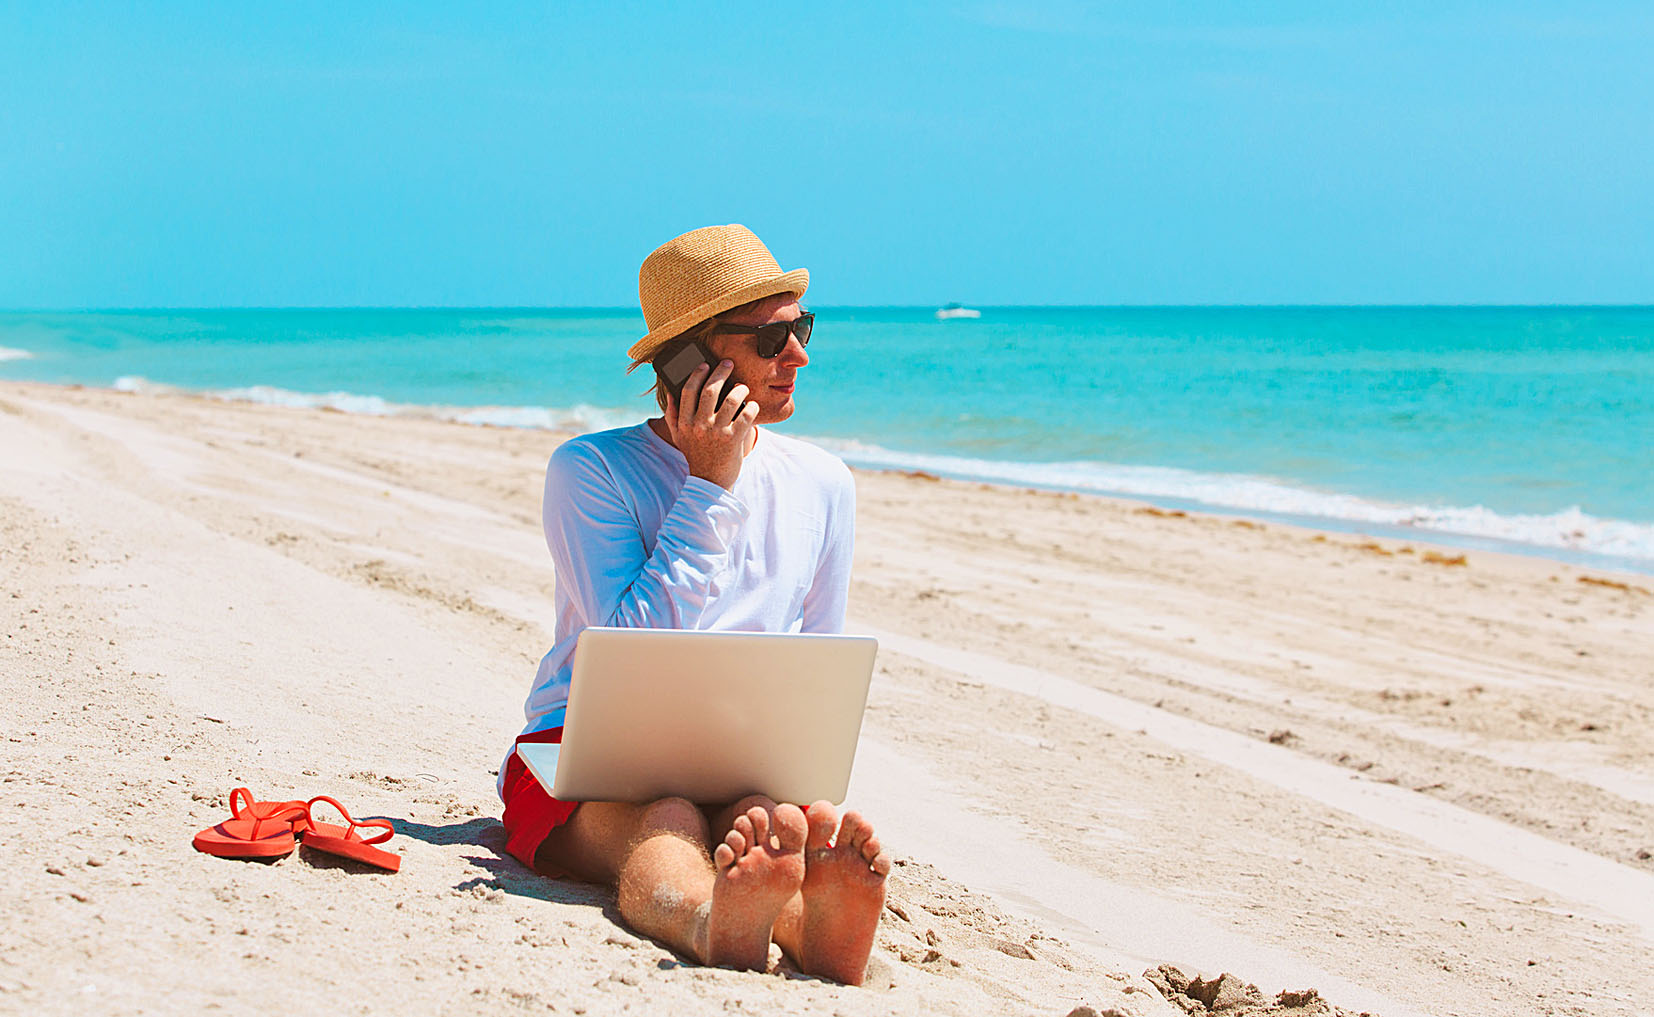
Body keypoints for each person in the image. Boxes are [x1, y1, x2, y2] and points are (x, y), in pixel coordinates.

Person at [496, 224, 890, 984]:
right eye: (774, 337)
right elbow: (632, 648)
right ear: (690, 360)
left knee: (767, 818)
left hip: (740, 757)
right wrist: (709, 486)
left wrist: (790, 786)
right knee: (665, 818)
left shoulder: (826, 484)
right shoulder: (592, 471)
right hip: (578, 757)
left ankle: (817, 932)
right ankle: (710, 921)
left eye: (802, 328)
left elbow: (816, 675)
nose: (799, 356)